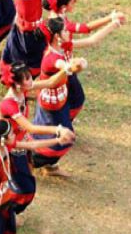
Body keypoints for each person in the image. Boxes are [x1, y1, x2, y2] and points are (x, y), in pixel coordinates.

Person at [29, 16, 121, 176]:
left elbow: (91, 40)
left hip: (60, 99)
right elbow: (65, 67)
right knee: (59, 139)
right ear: (57, 36)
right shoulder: (52, 58)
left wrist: (114, 23)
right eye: (65, 30)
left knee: (62, 135)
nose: (68, 32)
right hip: (52, 104)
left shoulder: (63, 46)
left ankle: (47, 165)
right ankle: (30, 164)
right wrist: (76, 65)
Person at [0, 60, 77, 217]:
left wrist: (67, 69)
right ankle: (5, 214)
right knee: (25, 188)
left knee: (24, 183)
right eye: (27, 78)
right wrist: (58, 129)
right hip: (12, 149)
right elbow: (31, 127)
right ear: (18, 84)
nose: (31, 80)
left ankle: (7, 212)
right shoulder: (9, 104)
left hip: (23, 144)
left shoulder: (22, 90)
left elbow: (50, 82)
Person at [42, 0, 125, 120]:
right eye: (73, 2)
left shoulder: (56, 17)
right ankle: (61, 123)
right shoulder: (64, 30)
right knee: (76, 100)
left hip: (64, 65)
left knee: (71, 99)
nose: (76, 1)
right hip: (64, 70)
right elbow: (88, 33)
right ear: (63, 7)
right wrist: (111, 20)